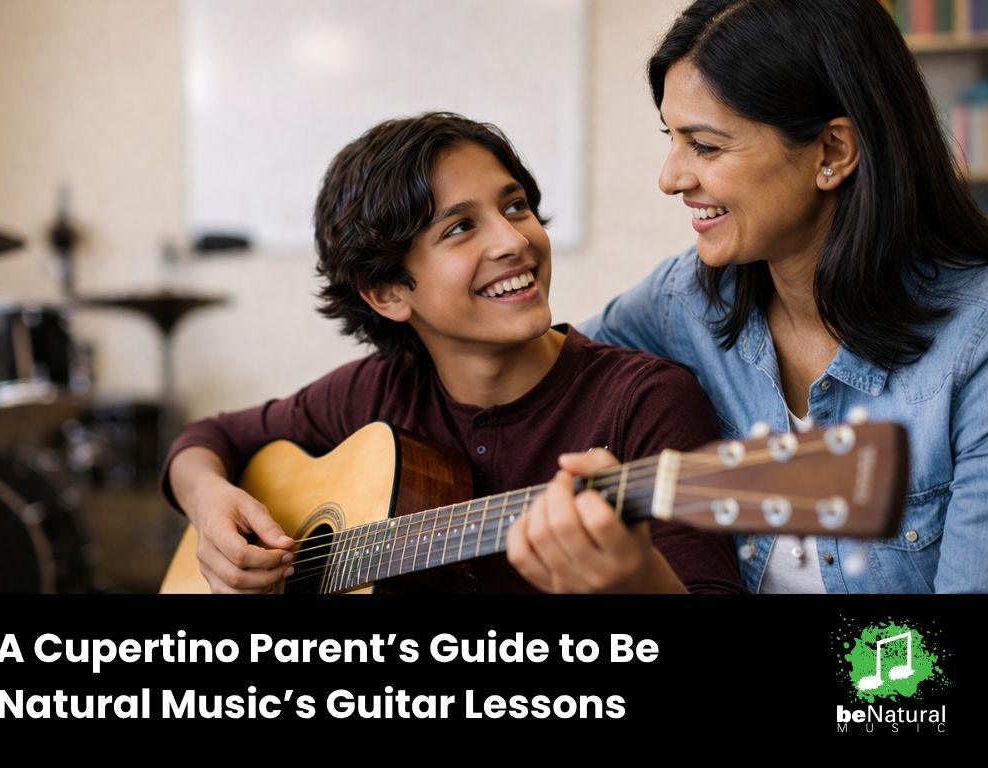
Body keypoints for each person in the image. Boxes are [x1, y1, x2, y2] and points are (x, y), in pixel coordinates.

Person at [162, 112, 742, 594]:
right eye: (461, 227)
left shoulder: (643, 402)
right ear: (389, 292)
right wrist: (210, 504)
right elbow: (207, 440)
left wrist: (635, 579)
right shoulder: (375, 394)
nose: (515, 240)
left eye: (515, 207)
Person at [575, 0, 988, 593]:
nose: (671, 178)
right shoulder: (689, 299)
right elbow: (545, 376)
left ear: (831, 153)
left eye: (706, 146)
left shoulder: (976, 344)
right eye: (673, 138)